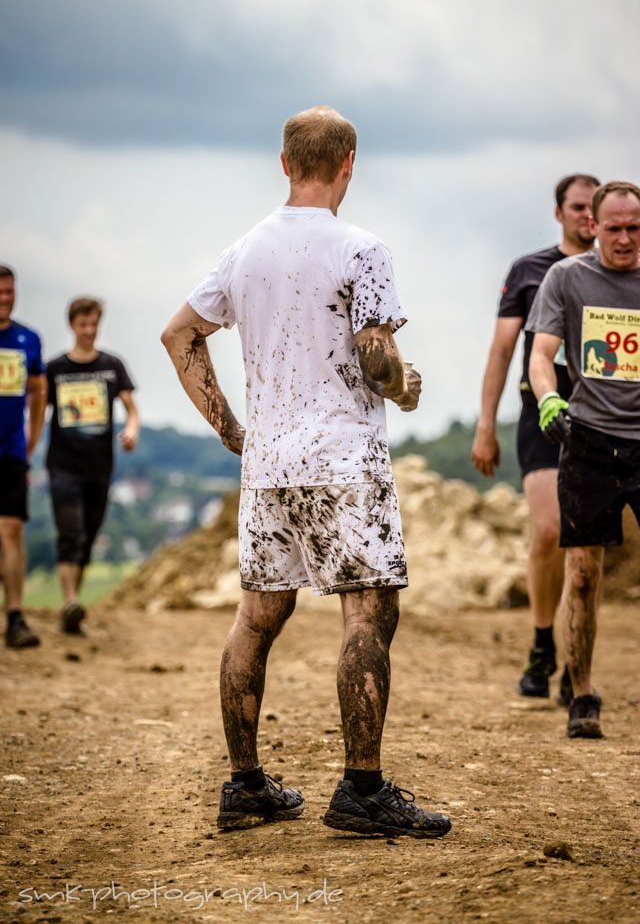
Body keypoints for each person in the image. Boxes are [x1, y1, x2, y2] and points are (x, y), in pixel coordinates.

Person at [162, 105, 451, 839]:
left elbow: (179, 334)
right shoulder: (362, 248)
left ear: (283, 163)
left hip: (269, 466)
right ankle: (361, 788)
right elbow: (377, 357)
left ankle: (245, 785)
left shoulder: (244, 251)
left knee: (257, 617)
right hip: (344, 460)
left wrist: (231, 429)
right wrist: (406, 384)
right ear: (349, 163)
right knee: (368, 610)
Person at [471, 174, 600, 702]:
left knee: (586, 547)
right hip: (541, 414)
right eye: (577, 208)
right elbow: (503, 351)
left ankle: (577, 662)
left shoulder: (623, 275)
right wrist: (485, 425)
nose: (587, 218)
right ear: (559, 213)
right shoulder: (529, 271)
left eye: (595, 209)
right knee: (550, 531)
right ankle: (543, 642)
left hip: (603, 418)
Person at [528, 180, 640, 739]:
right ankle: (583, 692)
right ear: (593, 226)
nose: (624, 239)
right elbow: (541, 353)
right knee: (584, 573)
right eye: (614, 228)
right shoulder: (566, 279)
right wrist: (548, 396)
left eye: (634, 228)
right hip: (589, 440)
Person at [46, 297, 139, 634]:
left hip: (100, 468)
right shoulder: (54, 369)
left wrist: (130, 431)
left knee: (88, 537)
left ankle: (71, 608)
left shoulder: (112, 365)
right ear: (72, 325)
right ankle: (70, 601)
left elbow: (131, 407)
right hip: (62, 466)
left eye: (93, 325)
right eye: (82, 325)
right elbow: (35, 410)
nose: (88, 331)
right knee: (70, 534)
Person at [0, 265, 47, 647]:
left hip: (11, 453)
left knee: (11, 531)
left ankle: (15, 616)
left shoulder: (28, 339)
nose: (5, 299)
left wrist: (31, 442)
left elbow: (38, 391)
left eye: (9, 292)